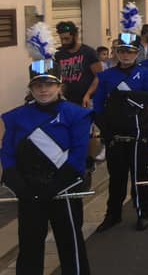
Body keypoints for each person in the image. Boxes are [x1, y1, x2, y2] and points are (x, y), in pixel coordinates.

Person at [1, 22, 92, 274]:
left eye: (49, 84)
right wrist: (19, 185)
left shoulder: (76, 114)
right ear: (31, 88)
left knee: (71, 246)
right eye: (38, 85)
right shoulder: (16, 116)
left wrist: (53, 187)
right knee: (30, 248)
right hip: (29, 192)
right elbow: (7, 153)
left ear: (59, 86)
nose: (43, 89)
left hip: (63, 190)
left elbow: (78, 155)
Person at [92, 3, 148, 232]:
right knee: (116, 179)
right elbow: (98, 105)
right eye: (122, 51)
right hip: (115, 137)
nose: (126, 55)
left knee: (140, 178)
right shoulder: (107, 75)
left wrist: (130, 98)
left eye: (130, 52)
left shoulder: (147, 74)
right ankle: (113, 215)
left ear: (137, 53)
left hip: (139, 135)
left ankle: (142, 212)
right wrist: (105, 128)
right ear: (116, 53)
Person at [54, 21, 103, 107]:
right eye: (61, 39)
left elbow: (99, 76)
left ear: (75, 36)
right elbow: (56, 76)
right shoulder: (58, 54)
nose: (63, 42)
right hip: (67, 101)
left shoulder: (88, 52)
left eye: (67, 39)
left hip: (87, 101)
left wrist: (88, 94)